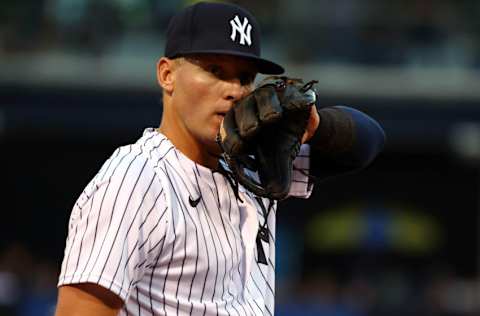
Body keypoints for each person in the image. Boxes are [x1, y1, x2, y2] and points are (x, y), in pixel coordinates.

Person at [54, 2, 385, 316]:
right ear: (167, 74)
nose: (233, 90)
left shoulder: (253, 164)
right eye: (215, 70)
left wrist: (317, 125)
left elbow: (367, 143)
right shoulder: (135, 180)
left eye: (244, 78)